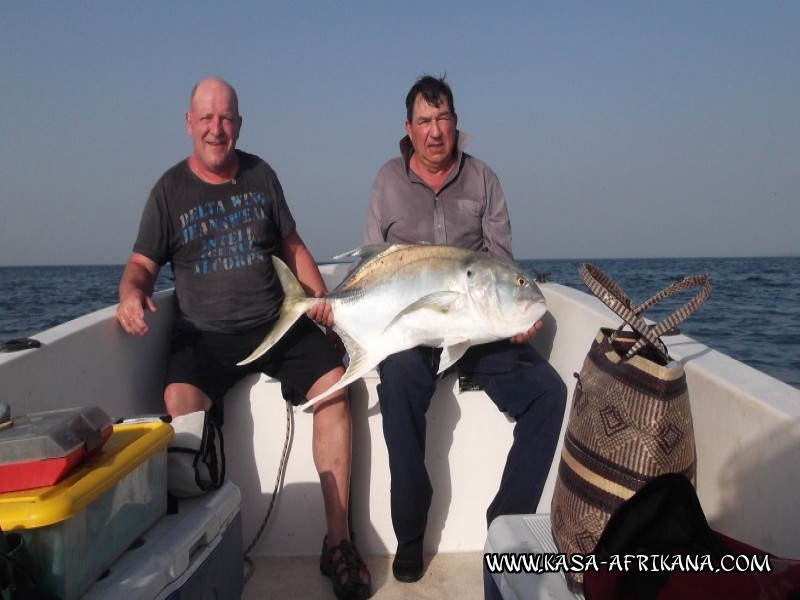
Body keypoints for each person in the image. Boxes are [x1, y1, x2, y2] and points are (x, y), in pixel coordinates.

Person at [117, 77, 371, 600]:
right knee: (179, 406)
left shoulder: (261, 175)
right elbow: (141, 265)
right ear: (188, 123)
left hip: (276, 323)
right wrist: (130, 294)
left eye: (226, 118)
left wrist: (323, 306)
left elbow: (293, 245)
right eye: (206, 118)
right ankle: (206, 547)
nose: (217, 128)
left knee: (335, 388)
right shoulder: (168, 191)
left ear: (240, 124)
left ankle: (338, 542)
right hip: (203, 336)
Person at [363, 75, 567, 599]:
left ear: (457, 123)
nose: (436, 132)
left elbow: (502, 263)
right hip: (415, 333)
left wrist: (517, 318)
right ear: (409, 129)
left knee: (549, 393)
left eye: (444, 119)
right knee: (399, 384)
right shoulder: (386, 182)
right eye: (425, 122)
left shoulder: (484, 180)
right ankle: (411, 532)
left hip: (477, 332)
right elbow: (372, 267)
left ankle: (507, 525)